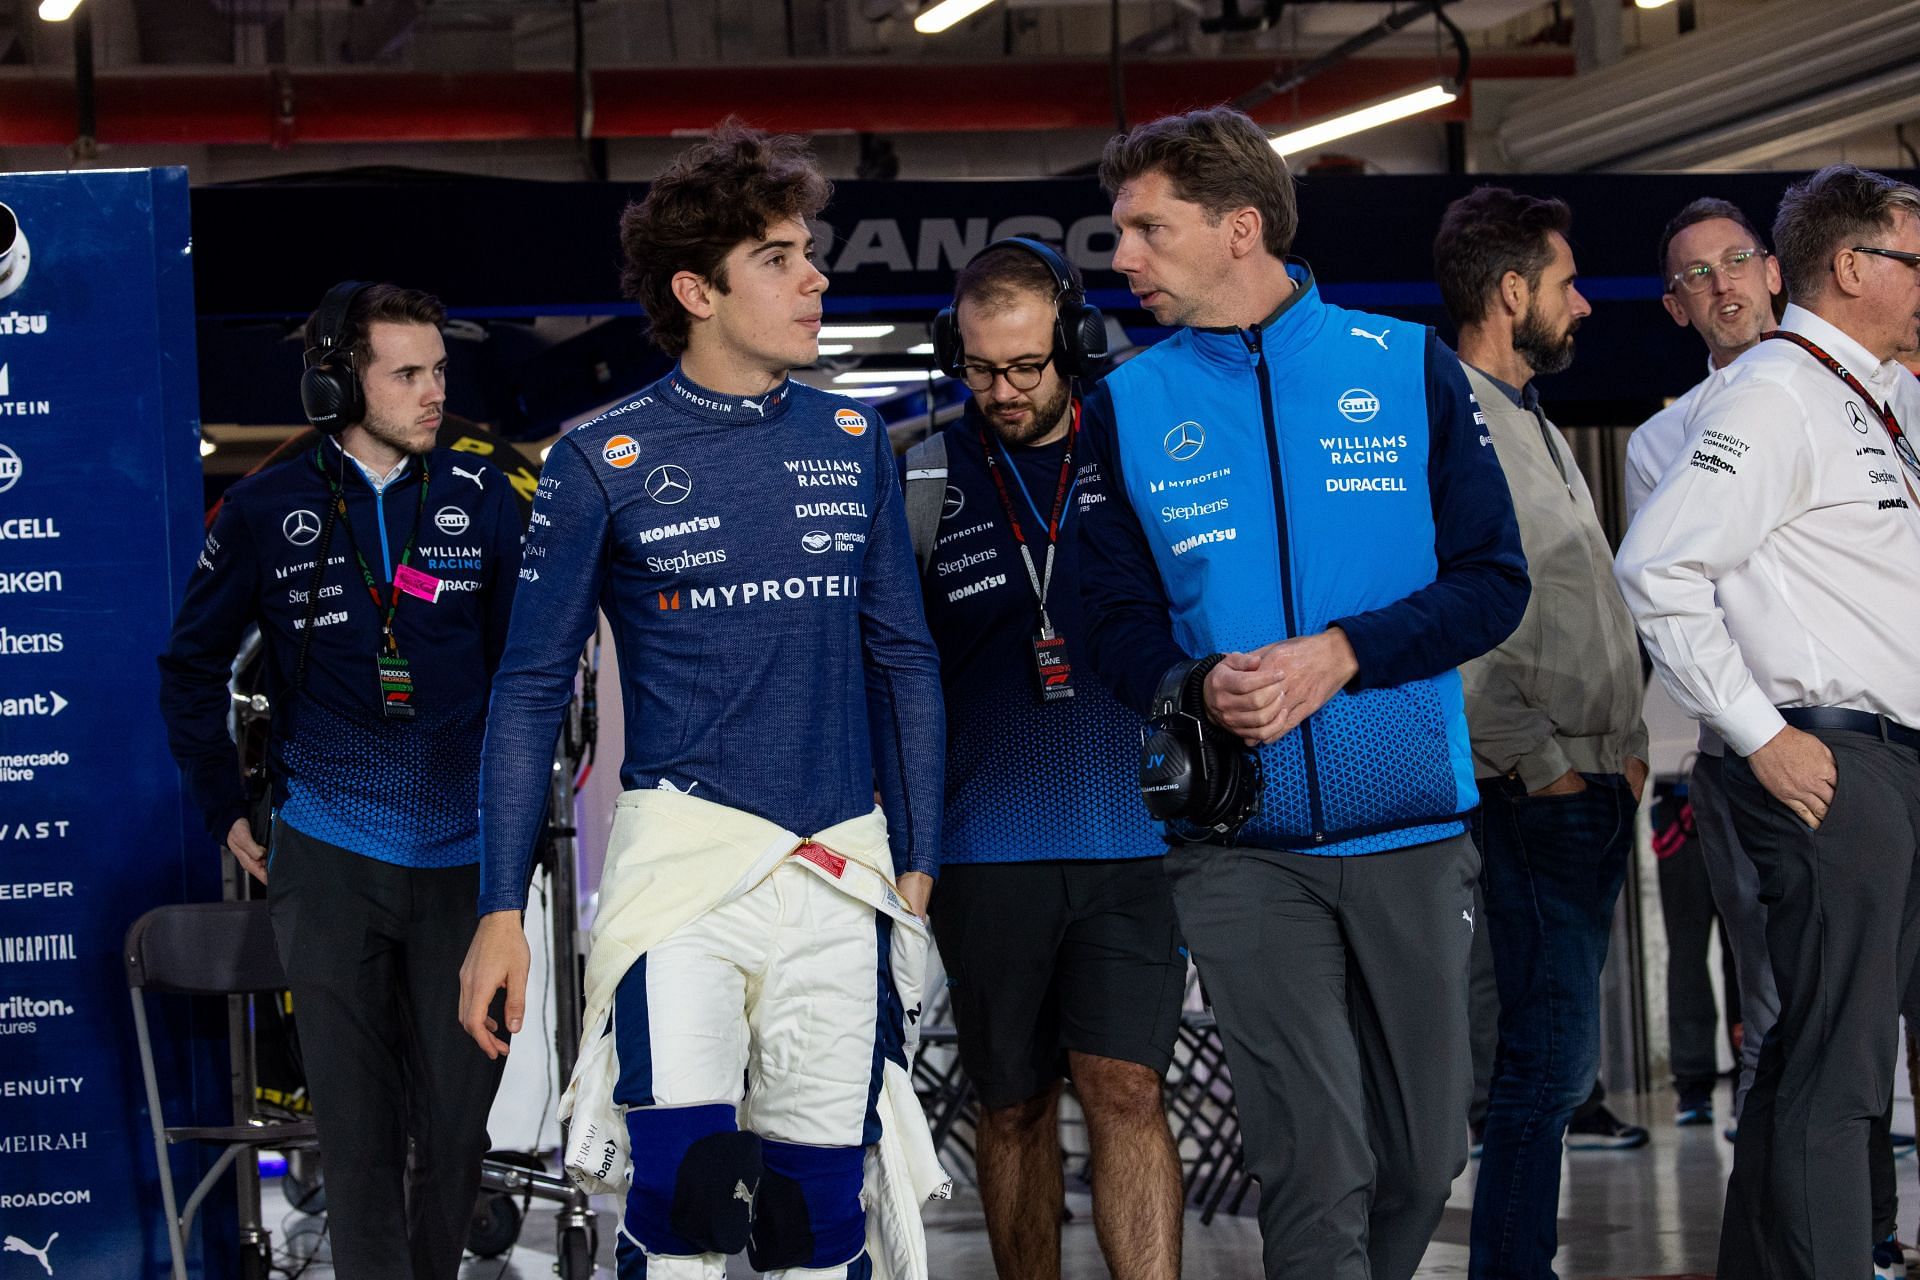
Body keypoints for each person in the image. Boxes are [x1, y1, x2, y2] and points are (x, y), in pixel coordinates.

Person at [457, 122, 945, 1280]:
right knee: (686, 1209)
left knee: (819, 1226)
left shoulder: (853, 437)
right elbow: (529, 692)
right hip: (682, 878)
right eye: (780, 256)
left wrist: (916, 865)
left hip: (839, 867)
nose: (816, 276)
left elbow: (906, 662)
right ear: (698, 290)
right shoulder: (600, 458)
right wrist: (497, 910)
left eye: (808, 250)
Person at [1077, 105, 1529, 1280]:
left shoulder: (1404, 364)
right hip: (1240, 844)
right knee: (1315, 1157)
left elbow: (1495, 583)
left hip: (1413, 829)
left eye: (1145, 229)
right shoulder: (1127, 406)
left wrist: (1342, 652)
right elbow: (1102, 614)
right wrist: (1189, 680)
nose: (1121, 257)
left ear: (1238, 229)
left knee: (1426, 1151)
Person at [157, 282, 524, 1279]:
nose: (432, 391)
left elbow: (526, 680)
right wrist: (224, 804)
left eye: (439, 369)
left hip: (462, 860)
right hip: (325, 855)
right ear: (335, 382)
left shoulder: (487, 495)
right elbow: (189, 665)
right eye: (406, 372)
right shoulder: (267, 507)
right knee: (355, 1132)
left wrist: (516, 840)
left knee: (453, 1128)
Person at [1615, 163, 1920, 1280]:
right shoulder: (1774, 393)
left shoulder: (1866, 393)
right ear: (1854, 266)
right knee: (1835, 1077)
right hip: (1827, 757)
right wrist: (1761, 732)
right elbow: (1654, 566)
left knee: (1827, 1058)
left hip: (1890, 758)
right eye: (1916, 262)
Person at [905, 240, 1183, 1280]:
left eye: (1026, 365)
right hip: (986, 847)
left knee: (1127, 1088)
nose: (1004, 390)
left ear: (1071, 343)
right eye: (980, 368)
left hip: (1134, 832)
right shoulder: (927, 477)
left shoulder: (1138, 456)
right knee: (1011, 1103)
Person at [1433, 186, 1650, 1280]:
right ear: (1510, 291)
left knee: (1558, 1063)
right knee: (1543, 1068)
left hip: (1593, 776)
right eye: (1566, 282)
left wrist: (1624, 735)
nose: (1586, 306)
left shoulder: (1529, 418)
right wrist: (1544, 762)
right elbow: (1464, 628)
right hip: (1540, 790)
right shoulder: (1455, 425)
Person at [1625, 197, 1784, 1131]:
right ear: (1676, 307)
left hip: (1888, 736)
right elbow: (1675, 603)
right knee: (1768, 1000)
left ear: (1773, 271)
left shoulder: (1876, 394)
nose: (1722, 284)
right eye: (1697, 275)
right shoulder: (1663, 441)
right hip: (1743, 753)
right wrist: (1754, 733)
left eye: (1736, 261)